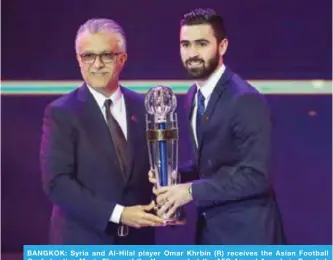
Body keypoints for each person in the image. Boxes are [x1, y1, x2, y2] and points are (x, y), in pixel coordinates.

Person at [150, 8, 285, 244]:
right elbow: (213, 163)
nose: (192, 53)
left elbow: (256, 176)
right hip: (211, 234)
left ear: (222, 46)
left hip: (248, 236)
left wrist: (190, 191)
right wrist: (175, 176)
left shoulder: (245, 99)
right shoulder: (193, 96)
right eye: (185, 44)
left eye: (201, 44)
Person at [40, 18, 164, 245]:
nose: (97, 64)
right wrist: (119, 214)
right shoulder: (61, 113)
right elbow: (57, 183)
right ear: (79, 60)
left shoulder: (145, 107)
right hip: (83, 243)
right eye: (88, 56)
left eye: (106, 55)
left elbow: (156, 170)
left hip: (138, 244)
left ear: (122, 59)